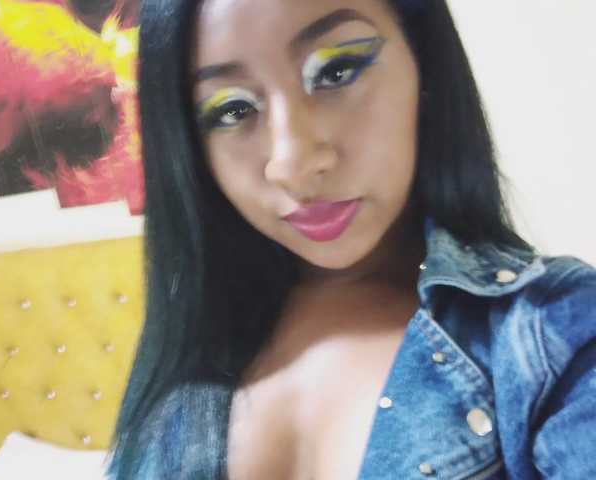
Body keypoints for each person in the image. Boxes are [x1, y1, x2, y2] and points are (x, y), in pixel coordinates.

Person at [106, 0, 596, 478]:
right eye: (232, 109)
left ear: (423, 58)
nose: (293, 163)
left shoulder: (553, 331)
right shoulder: (190, 347)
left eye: (336, 71)